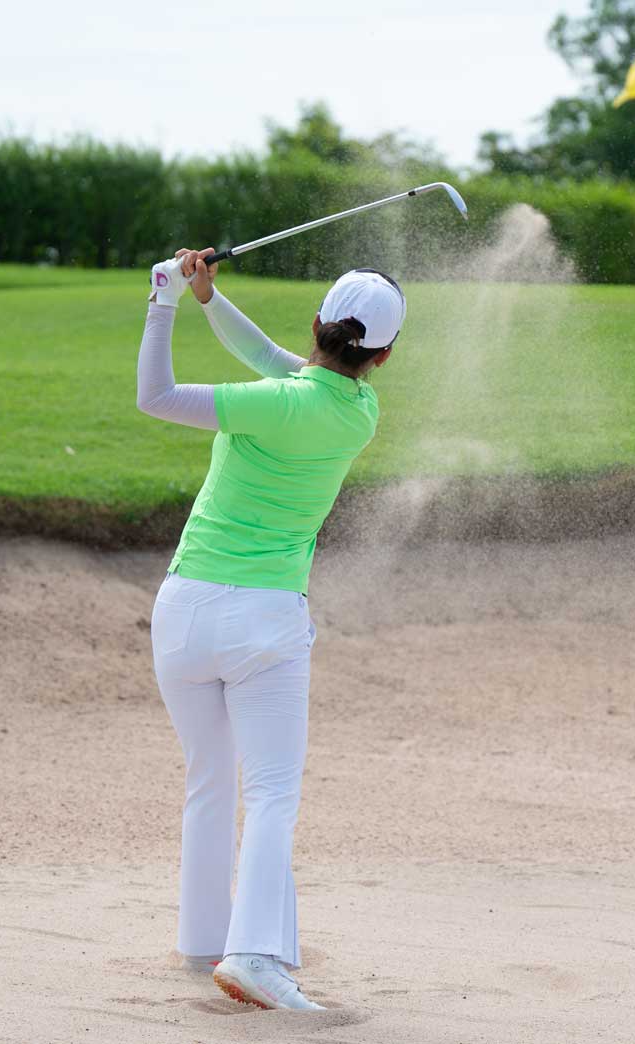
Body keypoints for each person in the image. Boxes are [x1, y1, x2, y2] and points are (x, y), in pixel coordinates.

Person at [135, 247, 404, 1011]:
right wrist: (206, 298)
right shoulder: (357, 411)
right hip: (262, 621)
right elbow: (271, 360)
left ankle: (204, 942)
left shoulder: (275, 399)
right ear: (382, 354)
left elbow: (157, 396)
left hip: (182, 613)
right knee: (273, 791)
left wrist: (165, 299)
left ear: (317, 322)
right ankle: (251, 955)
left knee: (210, 778)